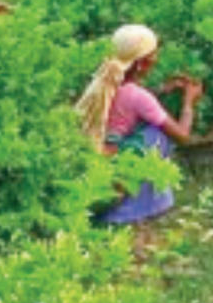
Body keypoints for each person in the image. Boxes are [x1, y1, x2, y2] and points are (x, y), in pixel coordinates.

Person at [75, 24, 203, 225]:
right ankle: (130, 209)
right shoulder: (139, 97)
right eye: (154, 54)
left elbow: (128, 105)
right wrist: (189, 101)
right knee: (157, 135)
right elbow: (182, 135)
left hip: (100, 163)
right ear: (141, 64)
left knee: (147, 131)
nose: (157, 58)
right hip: (117, 170)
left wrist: (162, 90)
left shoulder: (108, 80)